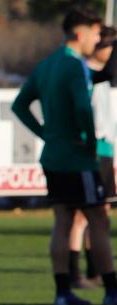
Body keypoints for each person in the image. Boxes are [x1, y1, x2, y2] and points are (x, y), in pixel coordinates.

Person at [13, 7, 117, 305]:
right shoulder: (75, 67)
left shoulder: (46, 64)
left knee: (63, 220)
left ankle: (62, 292)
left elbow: (20, 106)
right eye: (96, 33)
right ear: (81, 33)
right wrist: (87, 140)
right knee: (98, 219)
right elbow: (84, 109)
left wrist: (45, 133)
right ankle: (111, 290)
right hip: (77, 157)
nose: (98, 39)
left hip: (53, 156)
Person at [67, 24, 117, 289]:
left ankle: (94, 270)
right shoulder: (87, 74)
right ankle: (75, 275)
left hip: (106, 150)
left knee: (100, 214)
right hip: (93, 151)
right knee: (81, 215)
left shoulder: (102, 79)